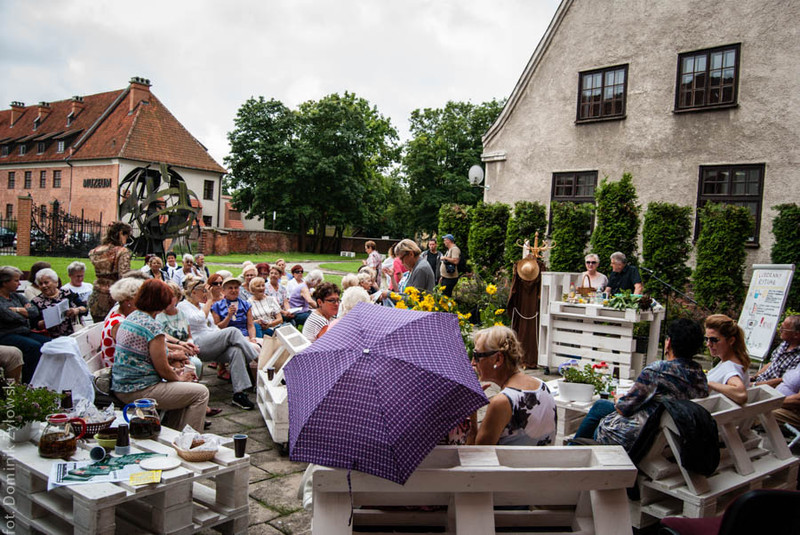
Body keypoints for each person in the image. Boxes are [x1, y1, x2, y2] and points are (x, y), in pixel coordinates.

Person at [571, 319, 708, 451]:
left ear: (669, 343)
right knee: (601, 406)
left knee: (600, 406)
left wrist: (619, 399)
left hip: (638, 437)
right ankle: (572, 449)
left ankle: (569, 451)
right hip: (672, 436)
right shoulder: (699, 374)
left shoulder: (658, 371)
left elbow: (624, 409)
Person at [111, 279, 209, 431]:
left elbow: (145, 357)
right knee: (201, 393)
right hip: (138, 390)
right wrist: (179, 377)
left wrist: (175, 369)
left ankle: (174, 433)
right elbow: (163, 369)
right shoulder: (152, 327)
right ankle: (190, 441)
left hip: (122, 385)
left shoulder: (133, 317)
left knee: (184, 389)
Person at [178, 276, 257, 409]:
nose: (205, 294)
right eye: (203, 291)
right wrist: (210, 300)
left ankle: (239, 393)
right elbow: (197, 319)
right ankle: (257, 359)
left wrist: (220, 335)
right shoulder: (183, 306)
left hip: (210, 340)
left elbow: (213, 327)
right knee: (232, 331)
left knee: (236, 351)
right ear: (193, 292)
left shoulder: (203, 306)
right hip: (197, 343)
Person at [472, 325, 556, 445]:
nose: (473, 362)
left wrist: (472, 413)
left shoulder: (502, 402)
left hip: (509, 464)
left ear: (498, 359)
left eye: (476, 356)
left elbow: (476, 453)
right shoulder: (542, 386)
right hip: (542, 463)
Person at [0, 266, 48, 383]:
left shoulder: (16, 296)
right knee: (33, 347)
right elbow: (8, 316)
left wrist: (17, 310)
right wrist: (24, 313)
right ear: (5, 282)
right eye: (16, 280)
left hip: (24, 332)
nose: (19, 283)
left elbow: (34, 311)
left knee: (48, 344)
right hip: (6, 334)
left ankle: (44, 380)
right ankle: (28, 383)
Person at [88, 222, 133, 322]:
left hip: (96, 294)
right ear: (121, 233)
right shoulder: (122, 251)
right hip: (113, 297)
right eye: (127, 236)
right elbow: (124, 277)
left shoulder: (95, 251)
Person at [704, 314, 749, 405]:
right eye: (706, 339)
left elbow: (741, 394)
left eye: (714, 340)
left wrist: (710, 384)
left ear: (731, 341)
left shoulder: (730, 367)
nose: (708, 344)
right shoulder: (733, 362)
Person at [31, 268, 87, 338]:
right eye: (40, 284)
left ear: (56, 282)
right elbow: (34, 324)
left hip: (74, 333)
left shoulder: (67, 293)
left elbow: (85, 308)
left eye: (46, 282)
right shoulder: (36, 302)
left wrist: (77, 310)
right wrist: (45, 322)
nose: (44, 286)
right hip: (51, 338)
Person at [100, 277, 144, 368]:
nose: (142, 303)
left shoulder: (118, 316)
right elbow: (135, 353)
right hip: (120, 374)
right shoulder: (119, 324)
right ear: (128, 301)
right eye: (139, 299)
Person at [752, 315, 800, 386]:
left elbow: (784, 380)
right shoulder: (784, 344)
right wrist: (754, 377)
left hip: (772, 389)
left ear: (796, 334)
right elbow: (771, 363)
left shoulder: (798, 356)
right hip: (760, 382)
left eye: (783, 329)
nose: (780, 330)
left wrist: (755, 385)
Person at [211, 277, 259, 346]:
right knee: (255, 348)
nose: (233, 290)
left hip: (245, 336)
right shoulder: (217, 306)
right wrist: (229, 316)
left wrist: (253, 338)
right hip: (228, 338)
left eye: (236, 288)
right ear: (223, 291)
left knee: (264, 345)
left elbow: (250, 325)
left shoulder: (245, 304)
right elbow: (217, 328)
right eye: (230, 288)